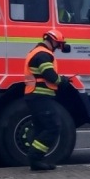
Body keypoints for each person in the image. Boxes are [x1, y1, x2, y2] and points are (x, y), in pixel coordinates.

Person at [24, 29, 68, 171]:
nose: (58, 48)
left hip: (34, 96)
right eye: (58, 45)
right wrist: (62, 81)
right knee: (53, 126)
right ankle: (35, 157)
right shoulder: (43, 54)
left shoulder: (36, 52)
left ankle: (37, 161)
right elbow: (49, 74)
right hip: (40, 97)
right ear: (53, 41)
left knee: (41, 128)